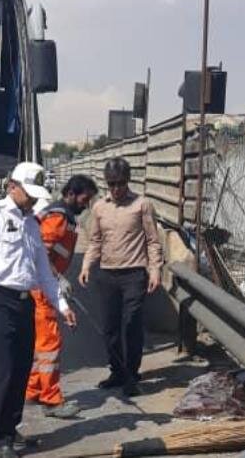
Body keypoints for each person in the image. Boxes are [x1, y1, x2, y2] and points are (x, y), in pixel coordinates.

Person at [0, 161, 78, 458]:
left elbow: (43, 271)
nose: (35, 200)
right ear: (13, 186)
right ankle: (0, 438)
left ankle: (12, 429)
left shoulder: (31, 222)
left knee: (23, 368)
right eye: (30, 193)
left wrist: (61, 304)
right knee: (4, 370)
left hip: (26, 301)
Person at [78, 157, 163, 398]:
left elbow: (152, 240)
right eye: (112, 184)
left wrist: (155, 269)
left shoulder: (142, 205)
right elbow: (95, 240)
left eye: (121, 184)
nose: (116, 189)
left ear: (128, 181)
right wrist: (86, 266)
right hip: (107, 275)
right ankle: (117, 371)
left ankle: (132, 375)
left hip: (134, 274)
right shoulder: (99, 208)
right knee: (110, 328)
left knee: (131, 325)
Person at [26, 174, 98, 419]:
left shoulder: (62, 216)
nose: (85, 205)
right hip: (41, 288)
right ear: (70, 194)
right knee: (50, 344)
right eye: (84, 199)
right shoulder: (57, 217)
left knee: (42, 345)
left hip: (42, 286)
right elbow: (40, 255)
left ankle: (34, 390)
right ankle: (51, 400)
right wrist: (58, 277)